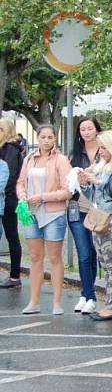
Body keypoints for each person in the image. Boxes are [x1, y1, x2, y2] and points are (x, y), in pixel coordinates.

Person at [16, 124, 72, 315]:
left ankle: (57, 302)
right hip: (32, 213)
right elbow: (20, 182)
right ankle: (34, 301)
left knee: (55, 257)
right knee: (34, 257)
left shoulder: (61, 160)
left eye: (50, 137)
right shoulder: (29, 159)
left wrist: (43, 197)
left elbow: (68, 190)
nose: (46, 141)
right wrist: (22, 195)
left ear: (55, 139)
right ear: (38, 139)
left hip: (53, 214)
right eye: (43, 137)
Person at [79, 130, 112, 320]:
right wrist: (85, 184)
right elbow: (95, 198)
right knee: (106, 264)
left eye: (104, 147)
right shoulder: (102, 165)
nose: (101, 151)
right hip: (99, 218)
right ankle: (109, 303)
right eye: (100, 147)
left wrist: (96, 182)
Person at [69, 117, 102, 315]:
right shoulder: (74, 155)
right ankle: (89, 296)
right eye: (83, 129)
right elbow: (67, 185)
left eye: (90, 128)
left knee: (93, 252)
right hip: (77, 208)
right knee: (83, 253)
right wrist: (78, 182)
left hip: (99, 209)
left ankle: (87, 291)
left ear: (97, 130)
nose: (87, 132)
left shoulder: (104, 152)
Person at [0, 120, 25, 288]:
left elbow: (9, 176)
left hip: (8, 199)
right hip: (5, 197)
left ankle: (15, 276)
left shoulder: (10, 149)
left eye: (1, 129)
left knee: (12, 236)